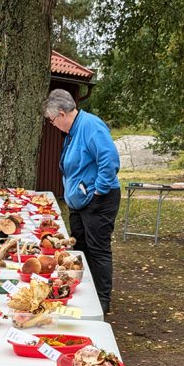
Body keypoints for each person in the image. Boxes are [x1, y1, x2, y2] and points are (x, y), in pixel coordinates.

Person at [43, 88, 120, 314]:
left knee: (98, 249)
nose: (53, 124)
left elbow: (110, 161)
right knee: (80, 249)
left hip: (99, 201)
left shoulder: (90, 126)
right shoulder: (73, 131)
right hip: (81, 203)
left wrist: (98, 192)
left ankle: (102, 301)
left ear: (62, 114)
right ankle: (86, 294)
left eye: (52, 120)